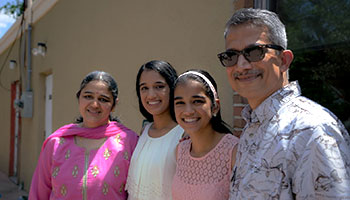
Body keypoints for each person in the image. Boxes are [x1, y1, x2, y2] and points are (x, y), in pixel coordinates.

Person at [216, 8, 350, 199]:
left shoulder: (312, 129)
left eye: (254, 52)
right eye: (231, 56)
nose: (242, 65)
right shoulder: (253, 126)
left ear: (284, 60)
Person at [29, 71, 138, 199]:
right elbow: (39, 192)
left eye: (103, 99)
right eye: (88, 96)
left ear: (114, 105)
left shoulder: (128, 142)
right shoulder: (57, 143)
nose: (94, 104)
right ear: (79, 98)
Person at [171, 69, 239, 200]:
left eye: (197, 101)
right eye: (180, 103)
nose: (188, 111)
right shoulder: (180, 151)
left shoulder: (234, 152)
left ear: (215, 107)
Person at [126, 60, 184, 200]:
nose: (151, 95)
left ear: (172, 88)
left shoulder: (183, 135)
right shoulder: (144, 131)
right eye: (144, 88)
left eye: (159, 86)